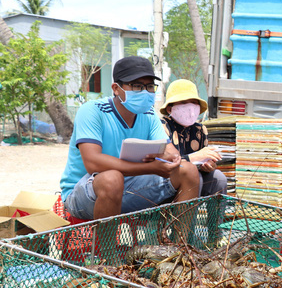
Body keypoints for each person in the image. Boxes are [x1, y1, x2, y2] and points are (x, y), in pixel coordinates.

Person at [60, 56, 200, 220]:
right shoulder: (92, 111)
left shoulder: (149, 115)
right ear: (116, 88)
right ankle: (108, 246)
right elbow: (93, 163)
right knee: (112, 179)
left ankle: (179, 244)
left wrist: (170, 158)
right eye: (136, 86)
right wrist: (150, 167)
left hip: (130, 187)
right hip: (84, 195)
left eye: (149, 86)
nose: (145, 92)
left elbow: (170, 152)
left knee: (187, 170)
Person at [159, 79, 227, 197]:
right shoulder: (162, 127)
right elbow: (163, 163)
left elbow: (204, 162)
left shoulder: (200, 130)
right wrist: (193, 158)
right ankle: (186, 215)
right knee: (194, 177)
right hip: (168, 180)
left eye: (194, 103)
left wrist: (208, 165)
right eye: (184, 102)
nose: (190, 108)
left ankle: (216, 216)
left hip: (196, 176)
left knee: (219, 178)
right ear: (170, 109)